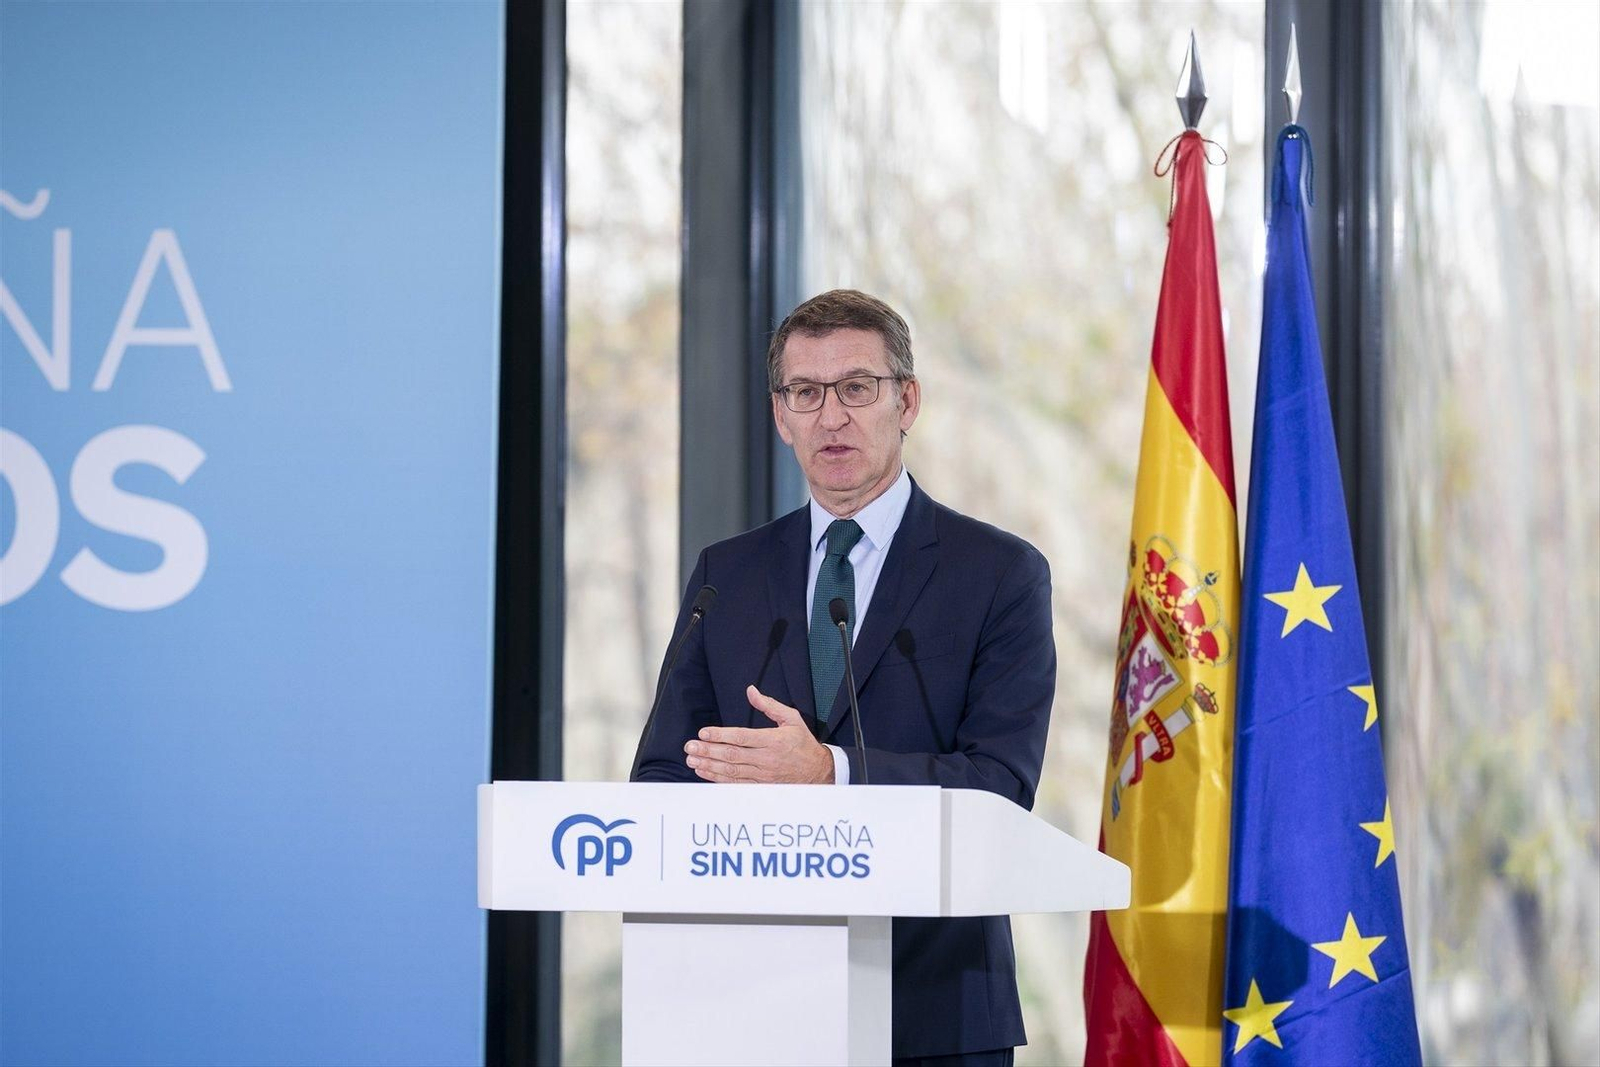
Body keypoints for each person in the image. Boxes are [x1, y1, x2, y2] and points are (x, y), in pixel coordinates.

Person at [631, 289, 1055, 1067]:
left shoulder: (998, 574)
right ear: (780, 415)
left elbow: (1001, 785)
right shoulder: (726, 574)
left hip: (936, 1009)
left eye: (857, 388)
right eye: (806, 392)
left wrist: (835, 774)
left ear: (908, 400)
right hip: (753, 1003)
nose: (832, 417)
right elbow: (661, 773)